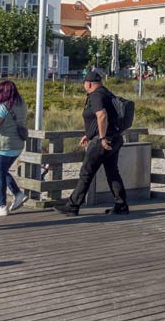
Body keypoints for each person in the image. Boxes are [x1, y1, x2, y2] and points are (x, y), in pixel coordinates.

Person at [53, 70, 129, 216]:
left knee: (86, 172)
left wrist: (101, 138)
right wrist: (88, 135)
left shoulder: (96, 95)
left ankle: (73, 205)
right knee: (112, 172)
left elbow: (102, 116)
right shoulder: (107, 93)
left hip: (103, 140)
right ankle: (121, 204)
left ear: (88, 84)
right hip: (116, 137)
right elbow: (98, 119)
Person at [0, 80, 29, 216]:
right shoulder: (21, 105)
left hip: (2, 146)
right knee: (2, 171)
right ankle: (18, 194)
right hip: (17, 145)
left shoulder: (2, 107)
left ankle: (2, 206)